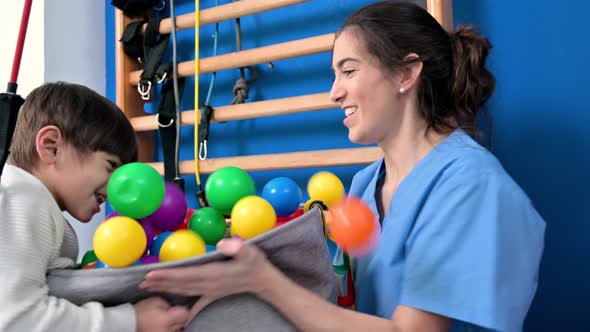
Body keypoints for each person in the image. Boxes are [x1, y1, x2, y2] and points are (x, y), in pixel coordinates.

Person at [140, 2, 546, 331]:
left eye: (348, 71)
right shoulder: (366, 184)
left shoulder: (470, 185)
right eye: (334, 75)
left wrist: (265, 283)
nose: (334, 92)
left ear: (406, 72)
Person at [0, 82, 189, 332]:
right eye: (110, 166)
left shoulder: (32, 204)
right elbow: (16, 320)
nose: (115, 191)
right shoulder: (22, 199)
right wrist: (132, 320)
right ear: (51, 146)